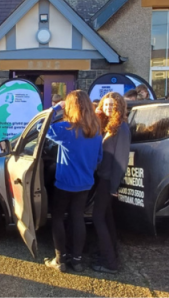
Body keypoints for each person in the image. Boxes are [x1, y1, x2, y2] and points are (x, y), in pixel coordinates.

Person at [43, 90, 103, 273]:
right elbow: (99, 159)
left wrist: (55, 108)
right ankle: (77, 261)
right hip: (85, 182)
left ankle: (60, 259)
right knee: (78, 218)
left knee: (58, 217)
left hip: (65, 182)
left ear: (70, 107)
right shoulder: (96, 130)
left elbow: (41, 128)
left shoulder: (66, 129)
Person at [92, 92, 131, 274]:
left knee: (98, 218)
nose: (108, 107)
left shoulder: (121, 128)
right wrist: (97, 114)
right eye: (105, 104)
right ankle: (110, 253)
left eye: (112, 105)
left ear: (119, 106)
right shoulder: (108, 125)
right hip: (103, 177)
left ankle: (109, 263)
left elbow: (121, 160)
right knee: (107, 219)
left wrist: (115, 187)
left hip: (109, 181)